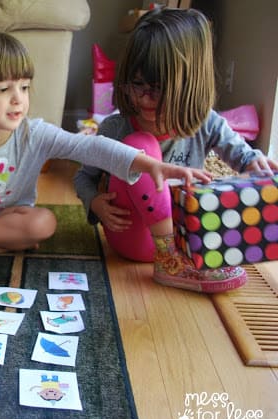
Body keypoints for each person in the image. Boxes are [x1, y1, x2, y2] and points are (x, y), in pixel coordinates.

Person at [0, 31, 210, 259]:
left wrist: (144, 163)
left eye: (24, 87)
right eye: (3, 89)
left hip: (12, 215)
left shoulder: (37, 134)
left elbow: (91, 148)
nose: (18, 98)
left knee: (45, 223)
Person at [74, 8, 278, 293]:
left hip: (188, 241)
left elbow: (242, 155)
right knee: (139, 146)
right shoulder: (115, 128)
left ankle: (179, 261)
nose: (145, 98)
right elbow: (83, 178)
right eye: (137, 84)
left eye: (158, 89)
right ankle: (168, 260)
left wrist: (256, 164)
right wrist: (95, 203)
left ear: (190, 88)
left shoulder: (206, 123)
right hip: (133, 238)